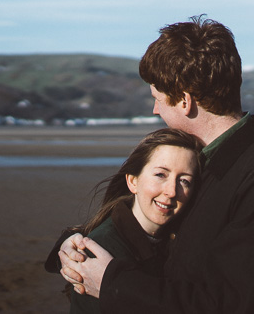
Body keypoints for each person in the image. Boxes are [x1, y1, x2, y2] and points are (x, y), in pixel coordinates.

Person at [53, 15, 254, 313]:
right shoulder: (196, 161)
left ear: (185, 101)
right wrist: (74, 246)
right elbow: (134, 222)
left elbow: (236, 304)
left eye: (158, 98)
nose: (154, 109)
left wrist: (112, 282)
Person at [60, 128, 203, 314]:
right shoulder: (100, 249)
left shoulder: (181, 239)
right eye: (160, 175)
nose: (171, 191)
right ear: (133, 181)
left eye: (184, 181)